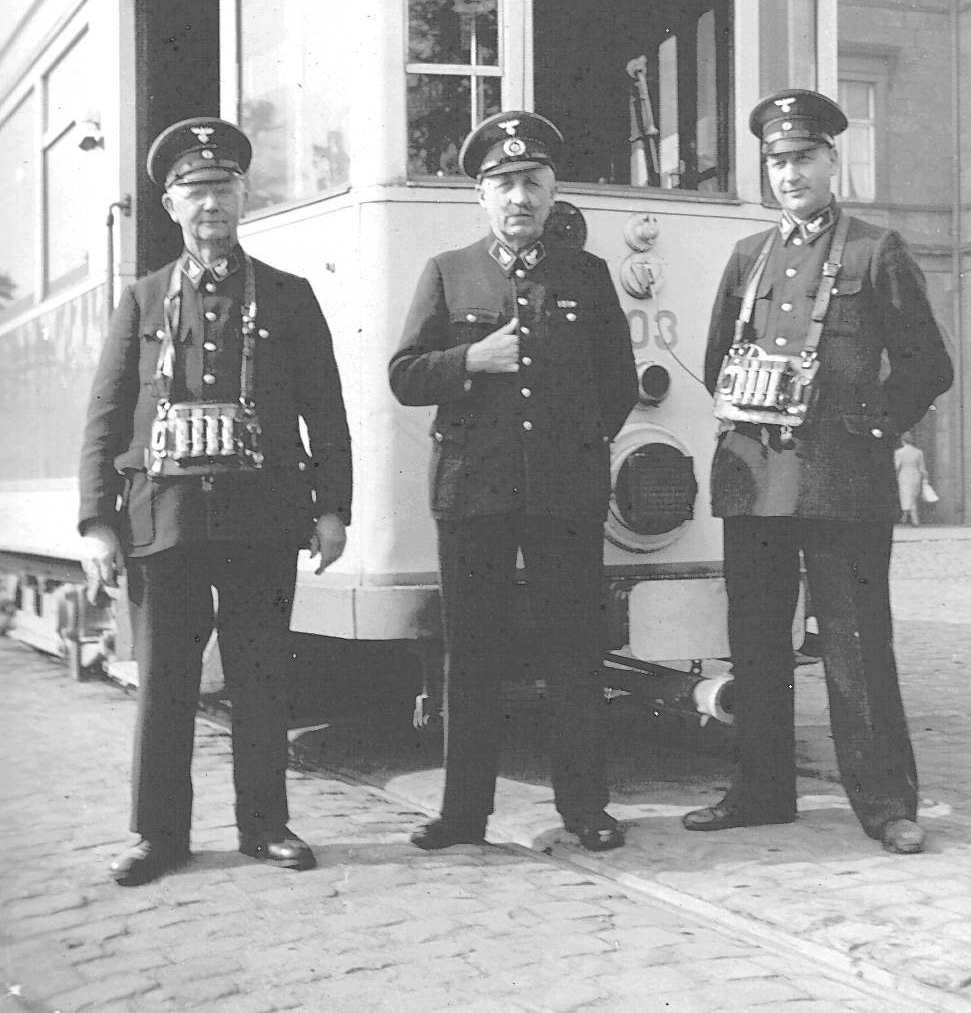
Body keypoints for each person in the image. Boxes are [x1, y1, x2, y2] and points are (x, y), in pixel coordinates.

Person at [78, 117, 353, 886]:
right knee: (165, 681)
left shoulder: (290, 297)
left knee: (262, 677)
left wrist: (332, 507)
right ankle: (157, 836)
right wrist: (98, 521)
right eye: (196, 192)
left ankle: (266, 827)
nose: (211, 207)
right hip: (163, 519)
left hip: (263, 516)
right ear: (170, 204)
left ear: (242, 199)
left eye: (224, 190)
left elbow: (325, 411)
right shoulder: (141, 300)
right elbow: (104, 414)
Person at [685, 90, 953, 854]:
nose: (790, 173)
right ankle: (761, 791)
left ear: (834, 162)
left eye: (804, 158)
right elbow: (717, 362)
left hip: (844, 478)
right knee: (758, 642)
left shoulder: (877, 250)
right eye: (777, 161)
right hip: (756, 480)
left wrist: (872, 423)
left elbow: (929, 365)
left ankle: (885, 804)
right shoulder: (749, 258)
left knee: (857, 643)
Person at [388, 111, 637, 853]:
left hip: (563, 494)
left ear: (553, 193)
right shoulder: (448, 271)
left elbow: (616, 386)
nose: (518, 198)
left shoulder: (586, 277)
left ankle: (584, 808)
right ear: (481, 196)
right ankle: (464, 813)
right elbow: (403, 376)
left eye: (532, 183)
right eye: (503, 184)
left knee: (573, 650)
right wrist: (470, 362)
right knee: (473, 655)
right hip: (474, 491)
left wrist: (580, 451)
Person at [894, 433, 930, 526]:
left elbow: (897, 466)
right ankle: (911, 518)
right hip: (916, 475)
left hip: (904, 475)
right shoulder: (918, 452)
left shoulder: (899, 452)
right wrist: (925, 477)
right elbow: (922, 467)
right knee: (913, 497)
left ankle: (907, 517)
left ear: (903, 441)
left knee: (905, 496)